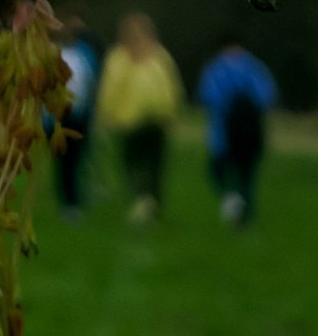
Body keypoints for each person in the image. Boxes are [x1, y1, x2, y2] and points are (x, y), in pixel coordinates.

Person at [97, 13, 183, 222]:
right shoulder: (129, 58)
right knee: (137, 164)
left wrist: (169, 114)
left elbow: (170, 88)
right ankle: (145, 201)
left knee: (149, 165)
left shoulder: (154, 57)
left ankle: (147, 203)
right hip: (132, 122)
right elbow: (111, 89)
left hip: (150, 122)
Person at [197, 36, 280, 225]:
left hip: (224, 134)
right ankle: (246, 215)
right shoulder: (253, 67)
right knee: (247, 177)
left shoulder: (216, 68)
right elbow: (267, 95)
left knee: (219, 172)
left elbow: (208, 96)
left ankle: (232, 201)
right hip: (251, 134)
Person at [51, 15, 102, 217]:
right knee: (65, 159)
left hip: (80, 114)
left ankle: (76, 195)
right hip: (58, 116)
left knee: (78, 157)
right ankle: (69, 199)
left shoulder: (84, 53)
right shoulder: (54, 53)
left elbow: (92, 81)